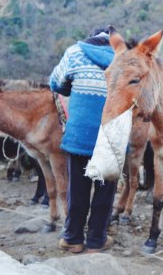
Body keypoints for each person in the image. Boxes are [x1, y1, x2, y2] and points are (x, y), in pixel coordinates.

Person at [50, 27, 117, 253]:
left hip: (80, 135)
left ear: (92, 37)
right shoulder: (126, 56)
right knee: (104, 192)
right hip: (112, 136)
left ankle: (73, 238)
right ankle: (96, 241)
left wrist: (74, 86)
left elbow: (56, 84)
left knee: (77, 189)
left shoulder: (74, 52)